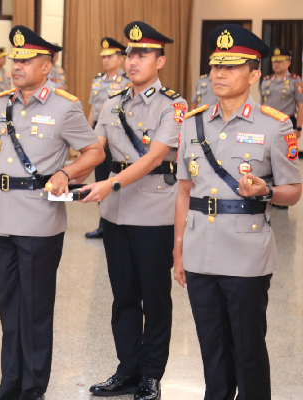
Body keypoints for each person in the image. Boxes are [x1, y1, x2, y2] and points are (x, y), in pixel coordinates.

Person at [0, 26, 104, 400]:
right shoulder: (1, 103)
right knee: (9, 307)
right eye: (15, 59)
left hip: (39, 219)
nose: (16, 66)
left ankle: (33, 388)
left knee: (35, 310)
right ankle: (10, 382)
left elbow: (94, 152)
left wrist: (67, 174)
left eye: (25, 60)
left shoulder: (64, 107)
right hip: (2, 218)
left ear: (47, 66)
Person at [174, 24, 302, 400]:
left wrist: (267, 191)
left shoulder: (275, 126)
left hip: (246, 255)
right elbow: (184, 191)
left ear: (255, 73)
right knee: (211, 348)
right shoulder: (192, 123)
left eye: (232, 66)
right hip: (199, 252)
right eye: (216, 66)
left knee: (247, 349)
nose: (220, 74)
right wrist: (178, 248)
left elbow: (293, 191)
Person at [81, 22, 187, 400]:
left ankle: (151, 375)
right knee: (123, 296)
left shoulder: (173, 105)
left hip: (153, 214)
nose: (133, 60)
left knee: (154, 297)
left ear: (161, 60)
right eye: (130, 53)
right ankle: (126, 370)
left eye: (143, 54)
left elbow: (155, 156)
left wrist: (108, 184)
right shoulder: (113, 102)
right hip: (116, 214)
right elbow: (96, 149)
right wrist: (65, 171)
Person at [84, 37, 130, 239]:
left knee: (116, 179)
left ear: (121, 58)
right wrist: (87, 140)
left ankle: (115, 223)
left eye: (110, 56)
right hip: (99, 137)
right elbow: (93, 111)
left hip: (119, 137)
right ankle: (103, 224)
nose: (105, 60)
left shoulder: (128, 81)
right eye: (103, 57)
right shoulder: (97, 81)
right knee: (100, 178)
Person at [260, 46, 303, 135]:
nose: (276, 64)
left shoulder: (295, 80)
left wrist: (298, 127)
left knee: (287, 148)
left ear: (288, 63)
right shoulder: (266, 81)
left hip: (286, 123)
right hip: (267, 122)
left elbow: (301, 105)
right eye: (274, 61)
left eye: (280, 61)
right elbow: (261, 105)